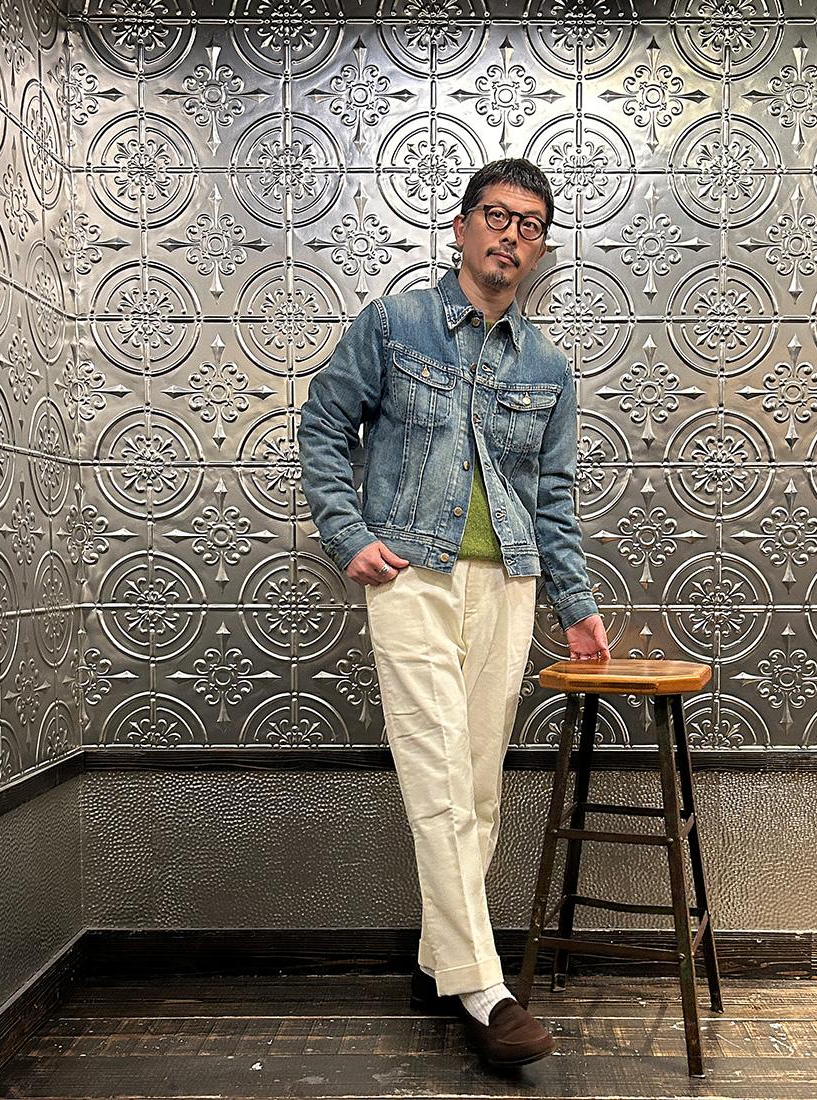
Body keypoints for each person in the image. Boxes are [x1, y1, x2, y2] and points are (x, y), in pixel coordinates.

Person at [297, 158, 610, 1067]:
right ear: (464, 226)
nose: (511, 236)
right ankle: (486, 990)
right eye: (497, 216)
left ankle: (442, 964)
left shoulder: (548, 367)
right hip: (412, 575)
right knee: (435, 772)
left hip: (507, 584)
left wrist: (575, 605)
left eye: (530, 225)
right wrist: (347, 533)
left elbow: (553, 498)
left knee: (474, 785)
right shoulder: (393, 324)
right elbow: (324, 425)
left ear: (540, 249)